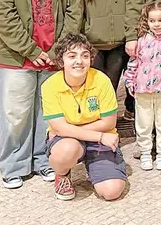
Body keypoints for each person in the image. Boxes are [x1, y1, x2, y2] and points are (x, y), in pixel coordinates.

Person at [0, 0, 82, 189]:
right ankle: (14, 166)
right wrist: (30, 50)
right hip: (16, 58)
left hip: (54, 58)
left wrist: (56, 51)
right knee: (16, 114)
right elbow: (3, 16)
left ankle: (44, 160)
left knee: (48, 114)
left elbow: (74, 13)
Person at [42, 34, 126, 201]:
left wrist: (67, 130)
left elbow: (109, 121)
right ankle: (62, 174)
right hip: (76, 140)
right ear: (61, 61)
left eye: (85, 56)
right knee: (66, 151)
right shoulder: (50, 86)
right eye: (72, 56)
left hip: (87, 139)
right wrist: (100, 136)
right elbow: (60, 127)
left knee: (111, 192)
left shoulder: (101, 80)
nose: (79, 61)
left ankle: (96, 166)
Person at [123, 2, 161, 171]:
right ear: (147, 21)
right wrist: (129, 81)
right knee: (143, 122)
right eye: (152, 21)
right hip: (142, 89)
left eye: (160, 20)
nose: (157, 24)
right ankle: (144, 152)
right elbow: (133, 62)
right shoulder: (142, 40)